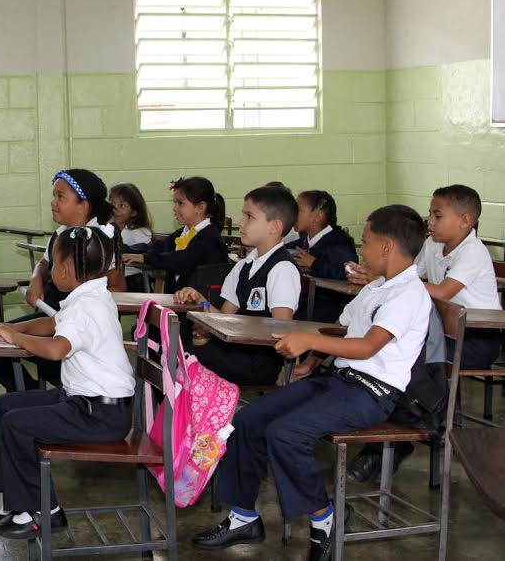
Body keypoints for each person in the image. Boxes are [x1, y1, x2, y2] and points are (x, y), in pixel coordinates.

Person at [191, 204, 431, 561]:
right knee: (248, 420)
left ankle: (325, 519)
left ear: (386, 247)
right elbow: (344, 329)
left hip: (371, 393)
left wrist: (310, 344)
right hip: (340, 380)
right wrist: (314, 361)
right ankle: (244, 517)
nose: (361, 250)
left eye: (365, 242)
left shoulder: (409, 294)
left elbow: (367, 346)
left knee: (286, 433)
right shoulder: (378, 287)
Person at [0, 226, 135, 539]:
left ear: (65, 268)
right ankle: (16, 503)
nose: (49, 270)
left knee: (17, 424)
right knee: (4, 406)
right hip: (86, 402)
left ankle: (45, 509)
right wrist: (9, 328)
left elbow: (56, 348)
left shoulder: (87, 306)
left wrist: (15, 336)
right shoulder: (89, 295)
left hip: (101, 415)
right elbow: (51, 324)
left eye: (51, 263)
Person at [346, 184, 502, 483]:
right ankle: (391, 435)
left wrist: (381, 275)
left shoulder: (473, 252)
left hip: (477, 339)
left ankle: (400, 438)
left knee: (407, 361)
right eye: (430, 213)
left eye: (437, 214)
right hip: (441, 336)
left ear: (465, 221)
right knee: (396, 353)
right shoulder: (432, 246)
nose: (429, 220)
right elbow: (404, 273)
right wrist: (373, 271)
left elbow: (442, 291)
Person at [0, 169, 126, 391]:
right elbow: (44, 263)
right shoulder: (62, 235)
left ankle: (40, 399)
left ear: (83, 205)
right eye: (54, 196)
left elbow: (116, 286)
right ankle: (29, 396)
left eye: (61, 197)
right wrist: (36, 279)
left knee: (6, 342)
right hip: (53, 319)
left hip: (75, 328)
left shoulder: (96, 243)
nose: (53, 203)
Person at [174, 185, 301, 386]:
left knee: (185, 354)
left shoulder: (282, 269)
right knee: (177, 344)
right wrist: (201, 301)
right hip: (233, 350)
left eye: (249, 217)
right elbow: (225, 318)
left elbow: (282, 328)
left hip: (260, 362)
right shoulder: (243, 266)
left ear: (274, 227)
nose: (241, 224)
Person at [122, 176, 229, 294]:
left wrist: (145, 258)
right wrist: (124, 250)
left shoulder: (210, 238)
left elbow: (182, 260)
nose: (174, 208)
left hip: (202, 308)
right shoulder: (183, 233)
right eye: (175, 203)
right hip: (181, 305)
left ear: (200, 207)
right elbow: (156, 247)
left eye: (180, 203)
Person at [286, 189, 359, 322]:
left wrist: (315, 263)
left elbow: (350, 273)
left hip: (328, 309)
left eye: (298, 210)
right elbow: (284, 251)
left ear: (317, 217)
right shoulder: (304, 241)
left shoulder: (339, 242)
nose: (293, 215)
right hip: (305, 304)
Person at [109, 182, 153, 292]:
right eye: (112, 204)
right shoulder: (106, 229)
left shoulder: (140, 232)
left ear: (133, 212)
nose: (115, 209)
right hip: (112, 278)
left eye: (122, 206)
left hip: (133, 281)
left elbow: (146, 255)